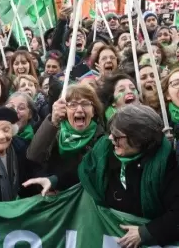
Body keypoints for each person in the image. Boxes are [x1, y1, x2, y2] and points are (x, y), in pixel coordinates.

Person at [77, 105, 179, 247]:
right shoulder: (105, 151)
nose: (111, 138)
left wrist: (146, 233)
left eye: (117, 136)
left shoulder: (168, 164)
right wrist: (54, 181)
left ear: (139, 139)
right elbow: (85, 172)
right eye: (111, 133)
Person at [26, 85, 105, 191]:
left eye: (85, 104)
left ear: (93, 111)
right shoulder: (54, 133)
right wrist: (53, 121)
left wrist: (54, 181)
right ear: (64, 110)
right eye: (73, 105)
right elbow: (33, 155)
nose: (80, 109)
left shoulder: (102, 139)